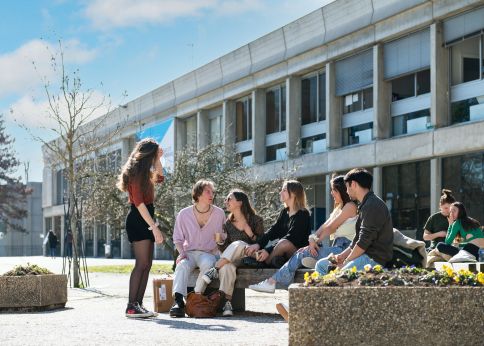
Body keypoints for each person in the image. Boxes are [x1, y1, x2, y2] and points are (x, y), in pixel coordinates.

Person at [248, 175, 357, 294]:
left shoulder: (350, 206)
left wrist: (316, 242)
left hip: (345, 249)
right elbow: (324, 226)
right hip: (337, 248)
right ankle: (276, 279)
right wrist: (312, 239)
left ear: (342, 191)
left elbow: (331, 228)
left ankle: (272, 282)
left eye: (334, 190)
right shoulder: (339, 209)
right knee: (302, 253)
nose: (331, 193)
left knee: (301, 253)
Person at [117, 138, 165, 318]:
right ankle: (131, 305)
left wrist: (158, 159)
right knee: (141, 264)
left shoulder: (145, 172)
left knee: (147, 264)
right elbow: (138, 203)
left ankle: (138, 304)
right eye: (154, 155)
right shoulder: (136, 172)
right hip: (139, 218)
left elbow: (160, 177)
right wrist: (154, 227)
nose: (155, 159)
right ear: (147, 155)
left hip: (145, 217)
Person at [315, 168, 393, 275]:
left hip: (373, 259)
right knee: (321, 265)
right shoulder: (365, 205)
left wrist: (346, 261)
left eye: (347, 186)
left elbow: (363, 242)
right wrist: (342, 256)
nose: (346, 191)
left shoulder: (372, 205)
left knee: (340, 275)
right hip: (363, 255)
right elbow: (357, 239)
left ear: (354, 184)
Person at [201, 189, 265, 316]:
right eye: (226, 199)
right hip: (233, 259)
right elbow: (226, 251)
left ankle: (214, 269)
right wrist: (220, 243)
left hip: (251, 257)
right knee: (227, 267)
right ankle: (227, 303)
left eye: (229, 198)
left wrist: (250, 234)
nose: (226, 201)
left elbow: (262, 242)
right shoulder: (228, 224)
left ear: (240, 202)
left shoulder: (255, 220)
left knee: (239, 244)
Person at [169, 179, 225, 318]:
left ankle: (196, 296)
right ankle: (178, 302)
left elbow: (224, 235)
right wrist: (181, 253)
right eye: (208, 191)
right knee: (182, 265)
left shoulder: (219, 213)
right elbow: (177, 238)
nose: (211, 194)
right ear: (198, 194)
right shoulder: (184, 214)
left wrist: (220, 240)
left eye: (212, 192)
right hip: (189, 251)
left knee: (208, 263)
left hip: (208, 252)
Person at [247, 180, 311, 293]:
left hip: (298, 255)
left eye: (284, 190)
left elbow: (291, 238)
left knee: (284, 243)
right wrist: (258, 244)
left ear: (294, 193)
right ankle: (265, 258)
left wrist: (268, 250)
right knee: (247, 247)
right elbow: (272, 231)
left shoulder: (303, 214)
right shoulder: (284, 212)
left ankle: (264, 261)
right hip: (284, 254)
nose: (280, 192)